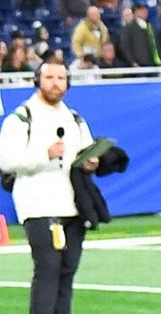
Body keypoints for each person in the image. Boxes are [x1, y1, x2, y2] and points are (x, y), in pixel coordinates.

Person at [0, 61, 98, 314]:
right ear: (37, 80)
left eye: (61, 78)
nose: (56, 83)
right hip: (38, 204)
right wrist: (45, 154)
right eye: (50, 77)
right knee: (48, 270)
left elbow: (86, 151)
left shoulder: (74, 117)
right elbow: (7, 160)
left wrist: (91, 162)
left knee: (67, 272)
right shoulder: (22, 117)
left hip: (72, 206)